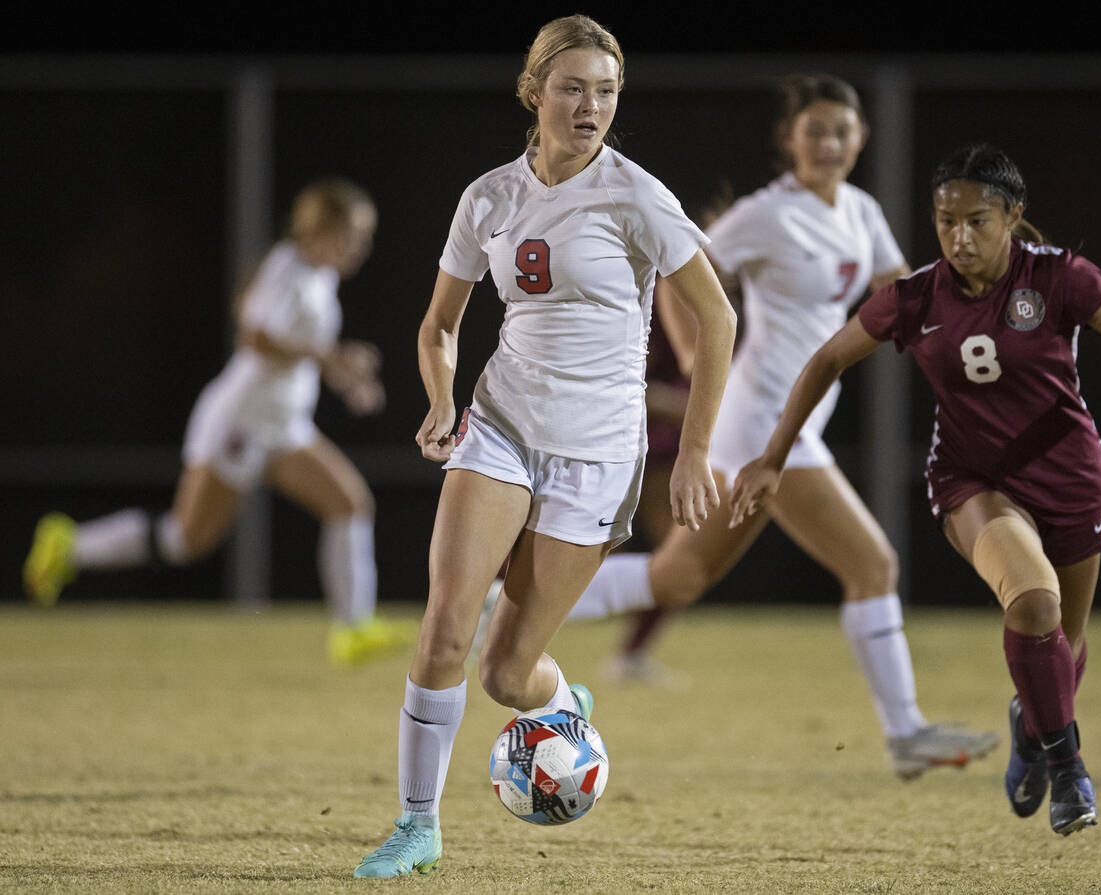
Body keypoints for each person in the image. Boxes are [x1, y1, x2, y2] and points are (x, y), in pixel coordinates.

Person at [353, 15, 736, 878]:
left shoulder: (637, 195)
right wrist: (442, 400)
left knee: (503, 672)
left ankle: (561, 700)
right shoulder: (488, 196)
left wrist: (701, 451)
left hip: (597, 450)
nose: (590, 104)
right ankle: (418, 826)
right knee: (445, 626)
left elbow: (718, 316)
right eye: (572, 87)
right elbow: (439, 325)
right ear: (534, 93)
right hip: (500, 426)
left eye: (606, 90)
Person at [729, 143, 1101, 836]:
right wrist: (771, 456)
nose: (959, 237)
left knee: (1065, 643)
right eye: (945, 221)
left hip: (1071, 478)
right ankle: (1068, 769)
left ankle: (1032, 727)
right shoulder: (916, 296)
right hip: (975, 480)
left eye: (977, 221)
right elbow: (827, 357)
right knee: (1033, 603)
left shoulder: (1058, 276)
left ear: (1013, 217)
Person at [563, 73, 998, 777]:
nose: (829, 142)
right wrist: (693, 357)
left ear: (860, 138)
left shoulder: (857, 208)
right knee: (873, 563)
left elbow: (902, 294)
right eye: (815, 130)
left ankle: (505, 604)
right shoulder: (768, 212)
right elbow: (685, 273)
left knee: (677, 577)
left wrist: (979, 315)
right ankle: (907, 731)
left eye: (841, 130)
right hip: (765, 420)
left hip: (796, 422)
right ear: (790, 140)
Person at [22, 178, 414, 667]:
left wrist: (346, 380)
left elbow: (296, 352)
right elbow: (255, 338)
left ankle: (353, 630)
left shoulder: (321, 277)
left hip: (283, 427)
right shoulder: (287, 267)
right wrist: (331, 356)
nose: (362, 247)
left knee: (350, 505)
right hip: (239, 424)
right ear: (319, 231)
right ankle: (69, 544)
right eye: (353, 235)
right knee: (184, 540)